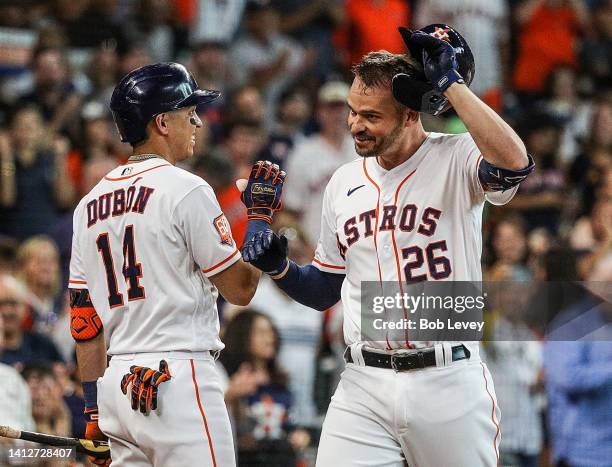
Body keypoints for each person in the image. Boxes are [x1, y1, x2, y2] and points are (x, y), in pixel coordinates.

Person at [239, 24, 534, 466]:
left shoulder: (456, 157)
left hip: (447, 377)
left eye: (371, 116)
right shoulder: (343, 182)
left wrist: (451, 85)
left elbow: (516, 163)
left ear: (411, 114)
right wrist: (280, 268)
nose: (356, 125)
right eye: (353, 112)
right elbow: (323, 290)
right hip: (363, 383)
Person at [68, 62, 282, 466]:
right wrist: (259, 217)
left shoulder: (88, 205)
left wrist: (94, 411)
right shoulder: (186, 188)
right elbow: (241, 289)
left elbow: (84, 319)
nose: (198, 122)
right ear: (163, 122)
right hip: (177, 380)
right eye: (190, 113)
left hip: (117, 386)